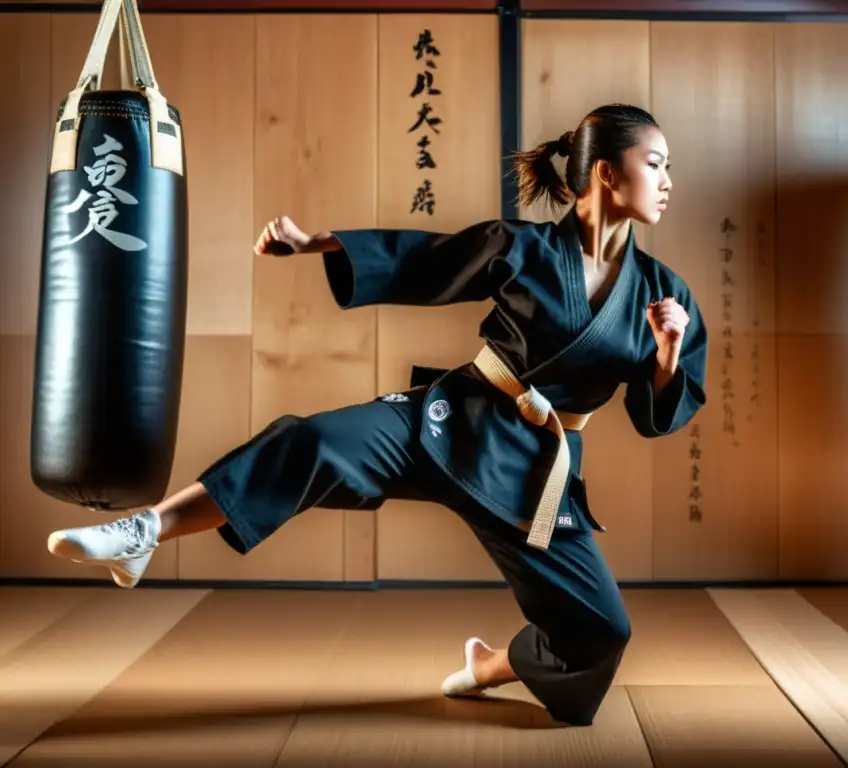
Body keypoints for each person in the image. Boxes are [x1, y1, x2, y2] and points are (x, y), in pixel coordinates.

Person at [46, 103, 708, 727]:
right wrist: (316, 245)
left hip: (538, 473)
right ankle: (143, 533)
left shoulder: (663, 293)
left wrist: (668, 355)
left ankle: (494, 665)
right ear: (604, 170)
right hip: (456, 421)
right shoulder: (525, 247)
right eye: (656, 163)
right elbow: (424, 259)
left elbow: (655, 416)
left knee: (601, 633)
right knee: (313, 442)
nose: (667, 180)